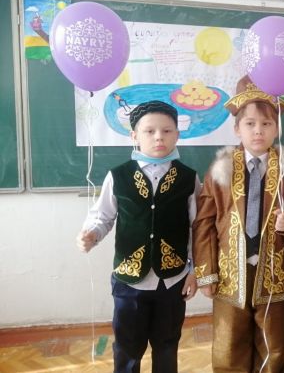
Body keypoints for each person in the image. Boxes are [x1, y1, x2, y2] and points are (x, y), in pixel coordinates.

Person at [192, 76, 284, 372]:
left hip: (275, 271)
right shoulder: (220, 170)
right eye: (250, 123)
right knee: (228, 345)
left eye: (267, 123)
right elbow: (204, 223)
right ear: (237, 128)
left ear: (277, 128)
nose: (258, 130)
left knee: (274, 345)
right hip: (230, 273)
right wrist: (206, 273)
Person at [76, 100, 201, 373]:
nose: (159, 137)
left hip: (173, 280)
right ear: (134, 135)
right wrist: (92, 234)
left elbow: (197, 227)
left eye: (167, 131)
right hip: (128, 281)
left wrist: (195, 271)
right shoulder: (118, 176)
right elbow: (103, 216)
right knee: (127, 349)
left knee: (167, 346)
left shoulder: (189, 178)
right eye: (149, 131)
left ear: (177, 135)